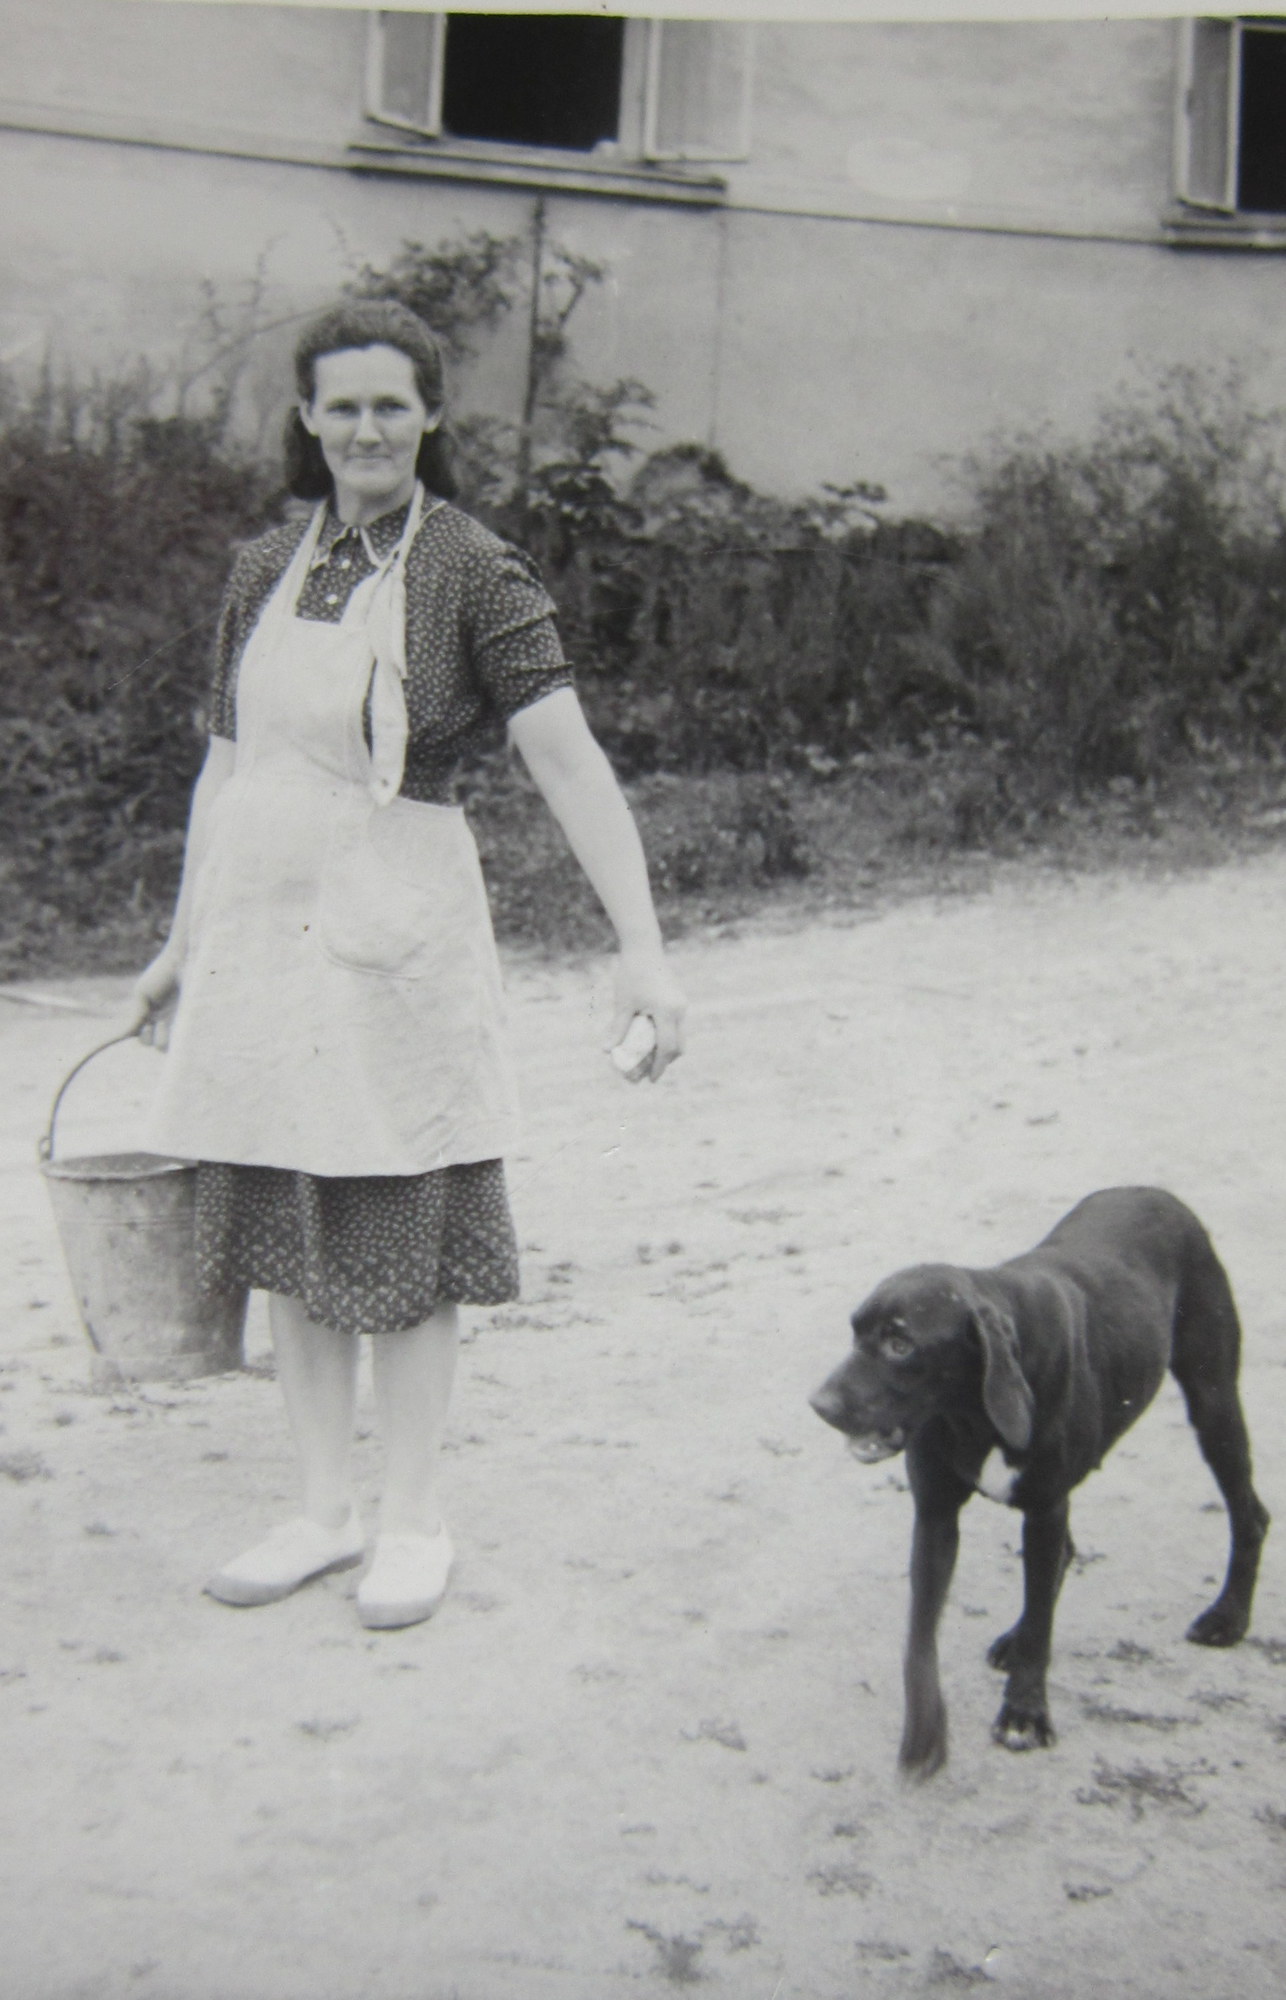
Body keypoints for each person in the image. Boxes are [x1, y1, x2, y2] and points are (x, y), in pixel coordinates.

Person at [129, 298, 686, 1630]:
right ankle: (323, 1509)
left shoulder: (473, 571)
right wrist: (181, 942)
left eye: (392, 404)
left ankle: (415, 1519)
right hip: (263, 941)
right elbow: (224, 764)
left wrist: (641, 949)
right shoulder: (263, 565)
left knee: (400, 1223)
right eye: (344, 405)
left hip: (395, 938)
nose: (367, 428)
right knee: (287, 1215)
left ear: (431, 416)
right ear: (307, 418)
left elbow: (565, 758)